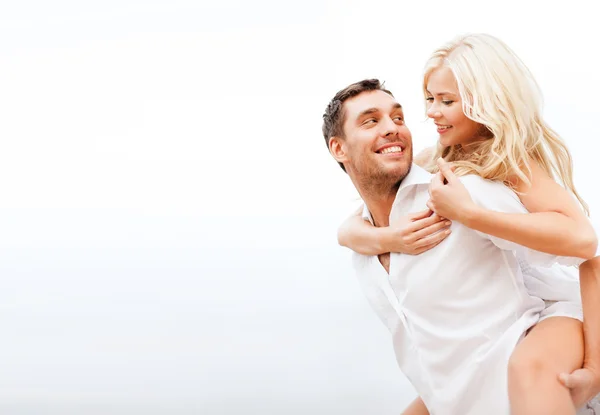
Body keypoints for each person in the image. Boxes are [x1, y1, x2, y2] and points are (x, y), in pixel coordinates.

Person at [336, 34, 600, 414]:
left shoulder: (511, 164)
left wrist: (594, 367)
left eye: (447, 101)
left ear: (484, 103)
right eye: (429, 99)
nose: (431, 112)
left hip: (558, 316)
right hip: (494, 347)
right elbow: (349, 226)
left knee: (528, 370)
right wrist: (386, 237)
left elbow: (585, 244)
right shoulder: (440, 162)